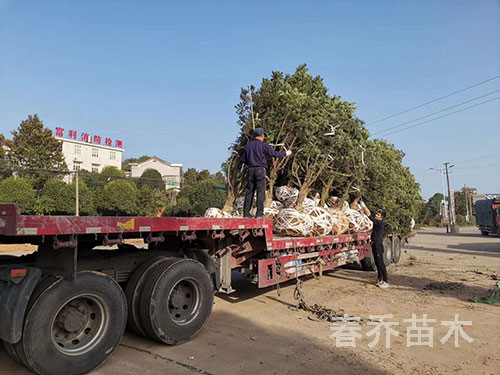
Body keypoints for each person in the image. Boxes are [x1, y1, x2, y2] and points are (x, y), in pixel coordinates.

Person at [241, 127, 291, 218]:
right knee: (260, 191)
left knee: (249, 192)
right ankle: (259, 214)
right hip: (260, 169)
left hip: (250, 170)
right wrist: (285, 154)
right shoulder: (264, 145)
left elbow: (243, 159)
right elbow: (274, 154)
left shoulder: (248, 146)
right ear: (262, 135)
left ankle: (246, 214)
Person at [358, 200, 388, 288]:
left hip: (378, 245)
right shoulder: (377, 223)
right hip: (374, 244)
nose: (376, 215)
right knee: (377, 263)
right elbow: (368, 215)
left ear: (381, 217)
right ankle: (380, 279)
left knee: (381, 263)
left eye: (378, 215)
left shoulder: (379, 223)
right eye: (377, 214)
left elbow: (369, 215)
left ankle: (385, 281)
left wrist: (363, 205)